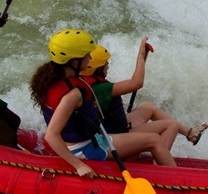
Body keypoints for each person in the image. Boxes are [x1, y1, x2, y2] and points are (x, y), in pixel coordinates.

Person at [29, 28, 176, 179]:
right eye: (87, 55)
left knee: (139, 144)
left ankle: (147, 169)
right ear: (75, 61)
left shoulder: (51, 79)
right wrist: (79, 165)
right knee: (155, 139)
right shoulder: (73, 94)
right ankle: (177, 182)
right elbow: (51, 135)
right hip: (83, 148)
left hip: (88, 139)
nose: (90, 58)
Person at [80, 38, 208, 150]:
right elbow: (136, 83)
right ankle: (158, 165)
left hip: (115, 128)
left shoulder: (84, 81)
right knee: (171, 125)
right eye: (105, 64)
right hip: (116, 136)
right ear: (96, 69)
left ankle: (190, 133)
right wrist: (141, 56)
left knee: (147, 107)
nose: (108, 65)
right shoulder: (99, 88)